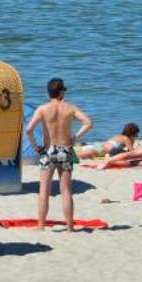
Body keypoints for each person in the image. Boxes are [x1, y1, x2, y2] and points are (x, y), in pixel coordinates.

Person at [26, 78, 92, 231]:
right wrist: (75, 137)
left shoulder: (43, 109)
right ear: (61, 92)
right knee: (66, 191)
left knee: (44, 191)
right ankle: (70, 227)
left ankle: (41, 226)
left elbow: (29, 130)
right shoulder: (70, 108)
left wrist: (36, 146)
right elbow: (88, 123)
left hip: (48, 151)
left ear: (49, 92)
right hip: (65, 150)